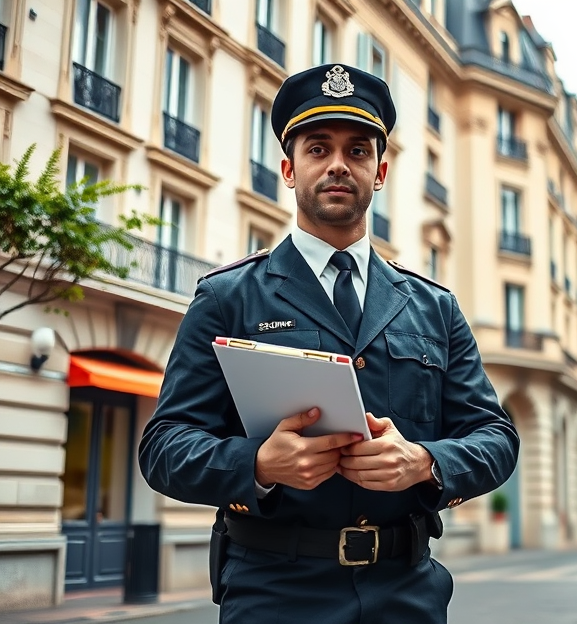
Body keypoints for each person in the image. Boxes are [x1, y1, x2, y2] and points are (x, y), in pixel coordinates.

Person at [139, 63, 520, 623]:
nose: (339, 164)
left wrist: (424, 462)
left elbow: (496, 438)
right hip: (274, 591)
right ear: (291, 170)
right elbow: (164, 447)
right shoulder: (228, 298)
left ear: (380, 171)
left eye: (358, 150)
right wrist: (259, 464)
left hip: (406, 591)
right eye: (318, 149)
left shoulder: (434, 307)